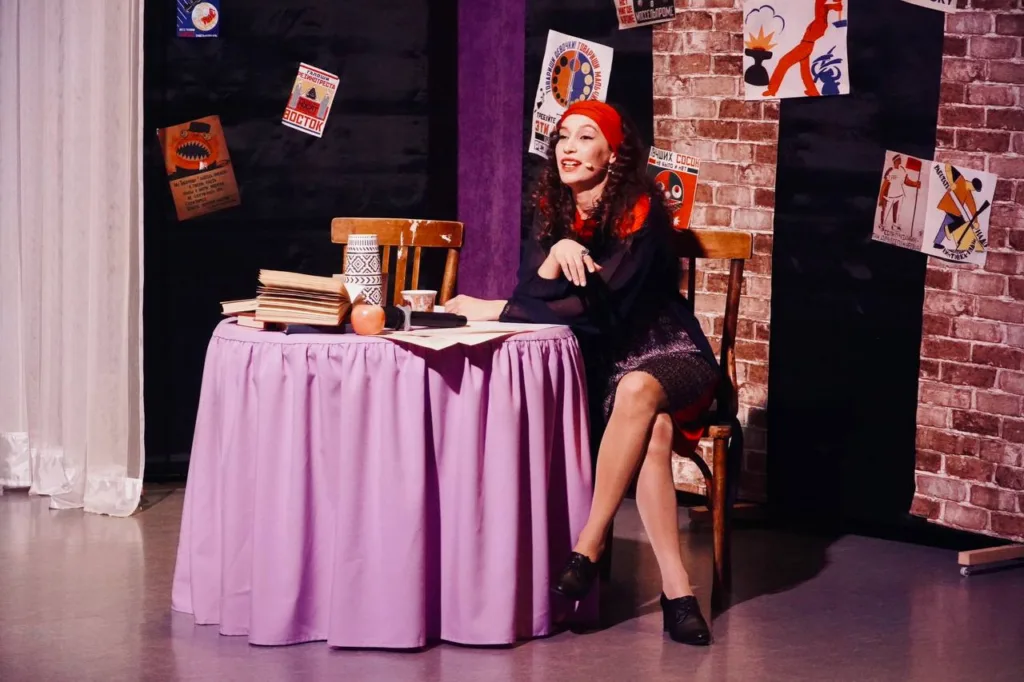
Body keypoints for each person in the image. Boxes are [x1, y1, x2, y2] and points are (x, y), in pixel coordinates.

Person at [444, 100, 719, 646]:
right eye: (563, 137)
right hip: (608, 371)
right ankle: (679, 594)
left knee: (640, 389)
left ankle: (587, 546)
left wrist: (498, 309)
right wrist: (556, 253)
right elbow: (534, 292)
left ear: (613, 153)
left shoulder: (641, 212)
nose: (569, 147)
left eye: (586, 136)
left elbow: (598, 312)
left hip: (671, 354)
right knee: (654, 431)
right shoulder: (553, 209)